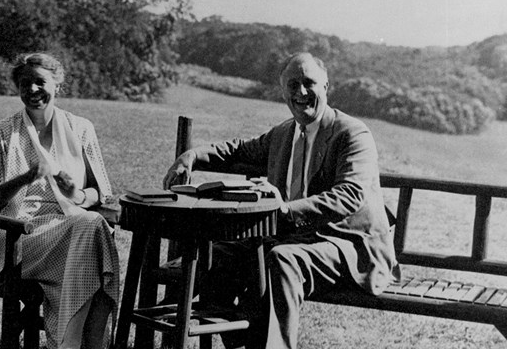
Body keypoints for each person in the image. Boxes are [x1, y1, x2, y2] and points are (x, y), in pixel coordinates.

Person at [163, 52, 399, 349]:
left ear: (326, 86)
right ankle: (238, 337)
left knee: (281, 259)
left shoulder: (351, 134)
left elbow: (349, 195)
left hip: (348, 247)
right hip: (294, 239)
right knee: (216, 255)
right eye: (293, 85)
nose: (301, 92)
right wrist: (192, 156)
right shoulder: (284, 133)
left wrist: (284, 210)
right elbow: (239, 151)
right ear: (283, 91)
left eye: (309, 83)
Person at [0, 53, 119, 349]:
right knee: (93, 232)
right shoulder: (1, 132)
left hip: (67, 232)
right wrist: (26, 177)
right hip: (14, 241)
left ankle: (76, 342)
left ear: (58, 85)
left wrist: (77, 195)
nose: (32, 90)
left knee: (91, 226)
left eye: (40, 82)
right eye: (25, 83)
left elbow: (100, 193)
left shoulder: (81, 128)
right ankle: (88, 343)